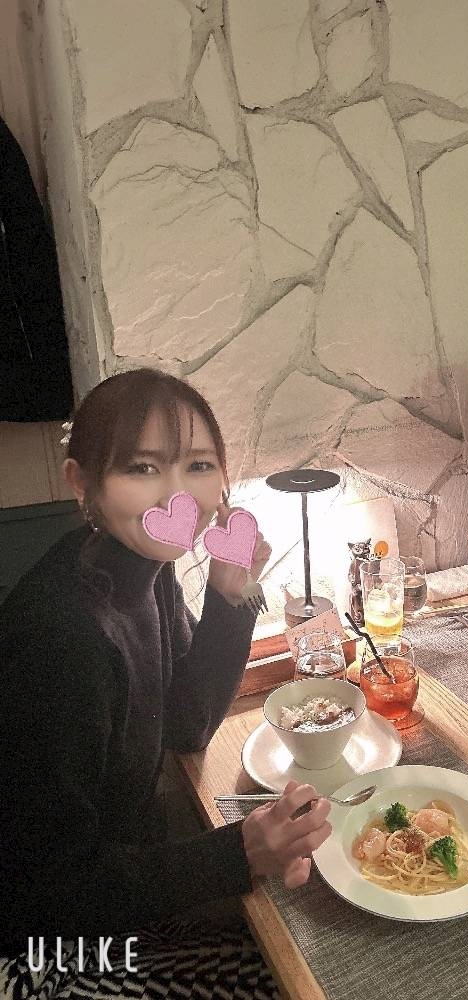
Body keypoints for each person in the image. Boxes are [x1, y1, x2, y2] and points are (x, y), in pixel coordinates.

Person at [0, 369, 331, 999]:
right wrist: (242, 852)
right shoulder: (61, 637)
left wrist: (230, 594)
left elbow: (185, 724)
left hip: (125, 891)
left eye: (198, 465)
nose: (178, 496)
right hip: (49, 952)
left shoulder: (144, 570)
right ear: (82, 483)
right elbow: (46, 891)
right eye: (143, 468)